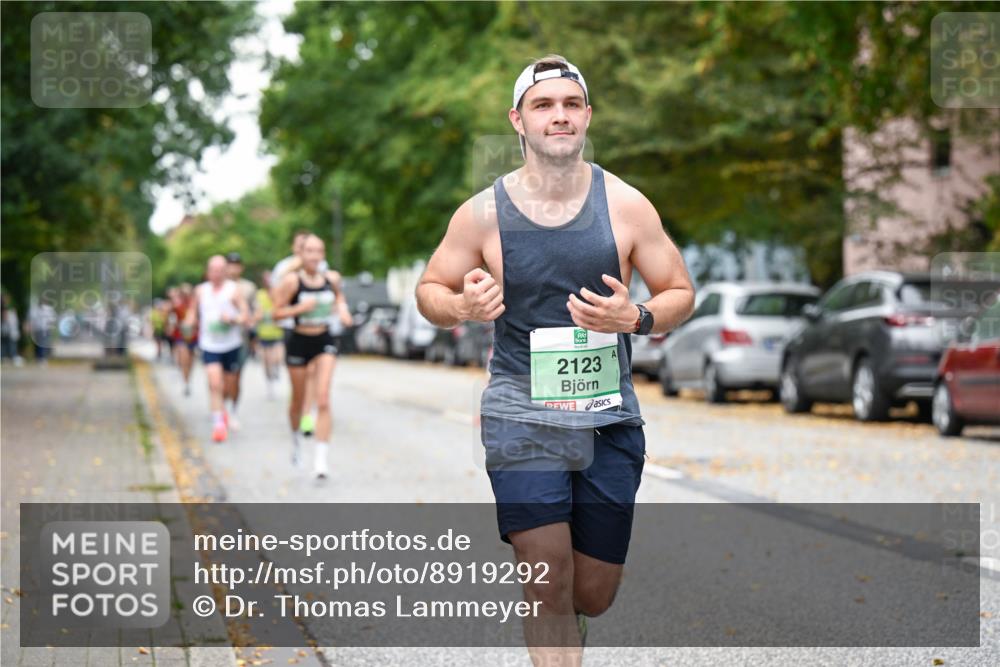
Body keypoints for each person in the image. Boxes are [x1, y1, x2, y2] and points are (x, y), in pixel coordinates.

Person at [415, 55, 694, 664]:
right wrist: (461, 304)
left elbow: (679, 290)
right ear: (518, 120)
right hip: (521, 413)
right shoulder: (482, 212)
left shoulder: (624, 204)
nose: (558, 116)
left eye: (571, 104)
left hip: (607, 417)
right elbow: (428, 290)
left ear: (587, 116)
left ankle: (574, 625)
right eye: (543, 105)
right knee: (547, 575)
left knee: (591, 592)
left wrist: (637, 318)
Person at [272, 234, 352, 479]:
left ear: (323, 254)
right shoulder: (291, 281)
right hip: (298, 341)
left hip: (323, 340)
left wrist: (342, 310)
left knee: (324, 398)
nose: (314, 256)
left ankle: (320, 460)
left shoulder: (331, 279)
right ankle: (296, 439)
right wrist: (300, 308)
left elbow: (339, 297)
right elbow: (276, 313)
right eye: (309, 251)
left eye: (319, 251)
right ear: (301, 254)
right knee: (297, 401)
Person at [184, 256, 249, 443]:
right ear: (208, 271)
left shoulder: (233, 290)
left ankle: (226, 410)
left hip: (231, 344)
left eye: (220, 270)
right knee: (214, 383)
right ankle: (218, 424)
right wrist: (189, 322)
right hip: (209, 344)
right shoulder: (201, 291)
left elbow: (245, 315)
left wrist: (233, 319)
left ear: (226, 271)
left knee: (228, 386)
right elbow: (192, 312)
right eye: (213, 269)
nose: (216, 273)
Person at [272, 231, 329, 437]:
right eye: (300, 246)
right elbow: (276, 299)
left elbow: (329, 293)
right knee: (300, 379)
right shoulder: (284, 269)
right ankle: (298, 407)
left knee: (314, 373)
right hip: (292, 327)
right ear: (296, 249)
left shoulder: (322, 267)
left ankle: (307, 414)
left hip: (319, 329)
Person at [225, 252, 259, 428]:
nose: (232, 268)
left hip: (241, 339)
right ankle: (220, 408)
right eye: (229, 264)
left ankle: (233, 410)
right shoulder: (217, 286)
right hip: (220, 338)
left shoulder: (248, 288)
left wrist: (250, 321)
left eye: (236, 264)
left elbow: (257, 311)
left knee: (236, 377)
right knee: (220, 378)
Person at [255, 270, 285, 399]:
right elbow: (257, 311)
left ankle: (277, 370)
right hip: (264, 333)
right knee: (266, 362)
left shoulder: (278, 292)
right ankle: (269, 386)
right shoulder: (259, 294)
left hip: (277, 332)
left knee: (277, 357)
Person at [170, 285, 198, 395]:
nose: (186, 296)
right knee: (184, 359)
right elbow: (171, 318)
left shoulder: (195, 305)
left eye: (188, 293)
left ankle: (188, 379)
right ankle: (186, 383)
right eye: (184, 294)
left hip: (194, 337)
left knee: (191, 361)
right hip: (181, 336)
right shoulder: (177, 306)